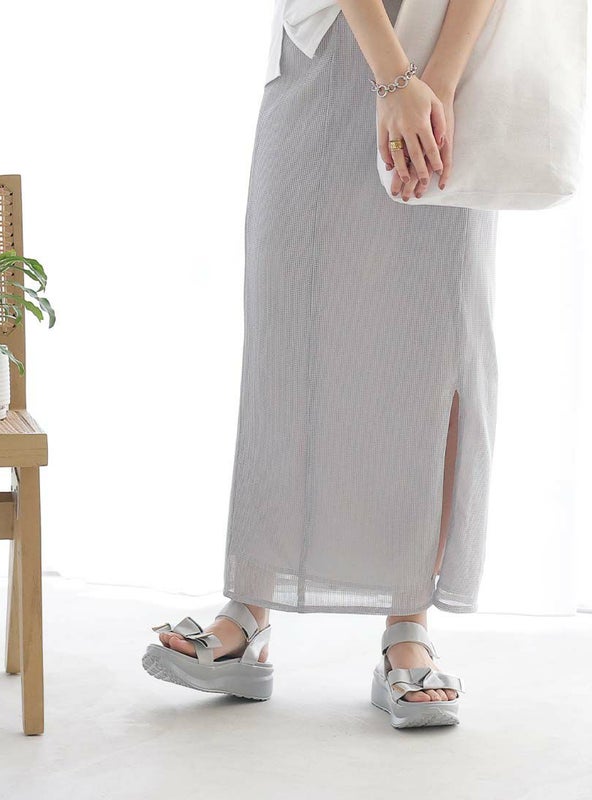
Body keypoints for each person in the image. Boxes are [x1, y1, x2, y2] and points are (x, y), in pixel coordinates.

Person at [143, 0, 498, 728]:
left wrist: (438, 81)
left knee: (435, 342)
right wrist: (395, 80)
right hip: (327, 43)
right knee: (287, 332)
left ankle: (408, 624)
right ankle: (249, 606)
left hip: (450, 60)